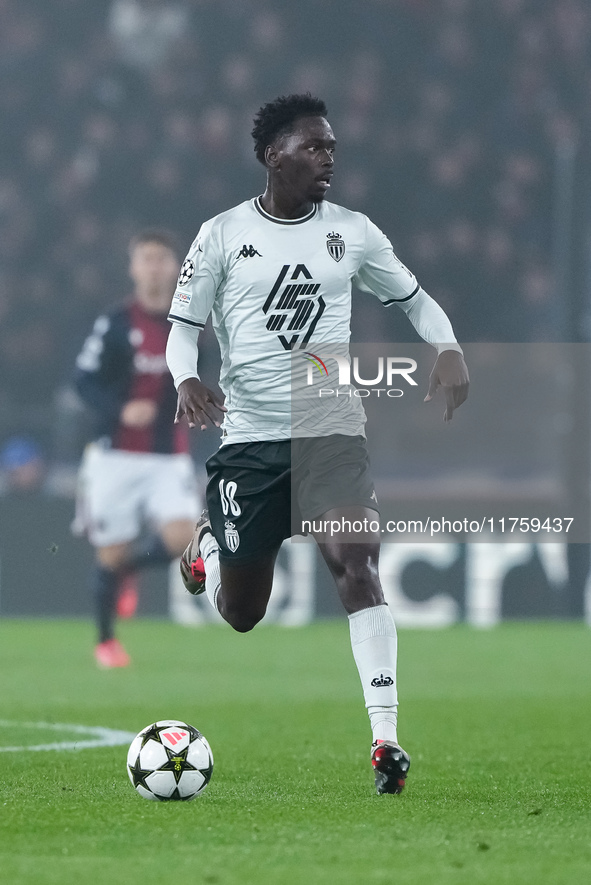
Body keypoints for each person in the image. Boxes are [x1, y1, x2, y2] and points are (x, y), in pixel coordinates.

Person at [165, 95, 469, 794]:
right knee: (242, 613)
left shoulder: (353, 234)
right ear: (274, 155)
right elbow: (183, 325)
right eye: (314, 147)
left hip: (331, 429)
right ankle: (207, 543)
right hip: (249, 442)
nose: (329, 158)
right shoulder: (219, 235)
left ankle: (385, 738)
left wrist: (447, 347)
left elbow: (415, 298)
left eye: (331, 148)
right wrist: (186, 378)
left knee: (356, 564)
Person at [74, 229, 201, 668]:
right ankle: (105, 640)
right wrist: (120, 410)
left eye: (161, 258)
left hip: (168, 454)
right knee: (109, 552)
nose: (153, 266)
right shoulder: (116, 322)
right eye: (145, 258)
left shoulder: (192, 323)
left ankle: (130, 569)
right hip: (114, 456)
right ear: (133, 268)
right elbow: (83, 380)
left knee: (184, 540)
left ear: (175, 267)